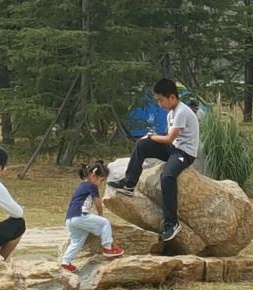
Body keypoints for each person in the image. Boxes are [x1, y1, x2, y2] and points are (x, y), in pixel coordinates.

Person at [108, 79, 199, 242]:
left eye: (160, 100)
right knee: (142, 145)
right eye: (157, 100)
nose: (159, 104)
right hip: (174, 149)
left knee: (167, 177)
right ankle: (129, 184)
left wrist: (151, 136)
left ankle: (171, 223)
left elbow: (170, 138)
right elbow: (168, 138)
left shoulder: (182, 112)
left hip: (185, 154)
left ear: (172, 97)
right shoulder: (171, 112)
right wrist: (149, 139)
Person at [61, 161, 124, 272]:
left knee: (77, 241)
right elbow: (97, 202)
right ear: (93, 176)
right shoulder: (91, 186)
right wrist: (100, 215)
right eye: (101, 180)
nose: (101, 183)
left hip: (70, 219)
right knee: (104, 222)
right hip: (80, 215)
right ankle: (108, 248)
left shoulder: (82, 185)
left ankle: (66, 262)